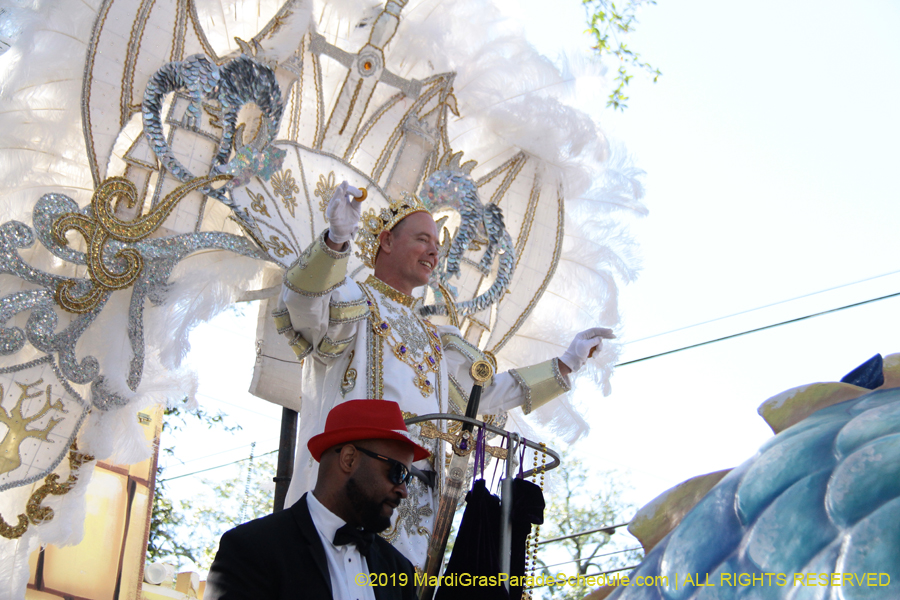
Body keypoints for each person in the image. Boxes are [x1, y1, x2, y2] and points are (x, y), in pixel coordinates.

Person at [274, 181, 614, 567]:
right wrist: (336, 241)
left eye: (437, 242)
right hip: (352, 492)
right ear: (386, 241)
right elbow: (303, 305)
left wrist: (566, 363)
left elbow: (481, 396)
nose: (435, 250)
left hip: (416, 510)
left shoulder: (436, 340)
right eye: (422, 239)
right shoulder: (354, 301)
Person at [205, 400, 424, 600]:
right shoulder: (253, 548)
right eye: (398, 472)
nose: (404, 490)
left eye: (409, 477)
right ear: (349, 459)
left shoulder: (398, 569)